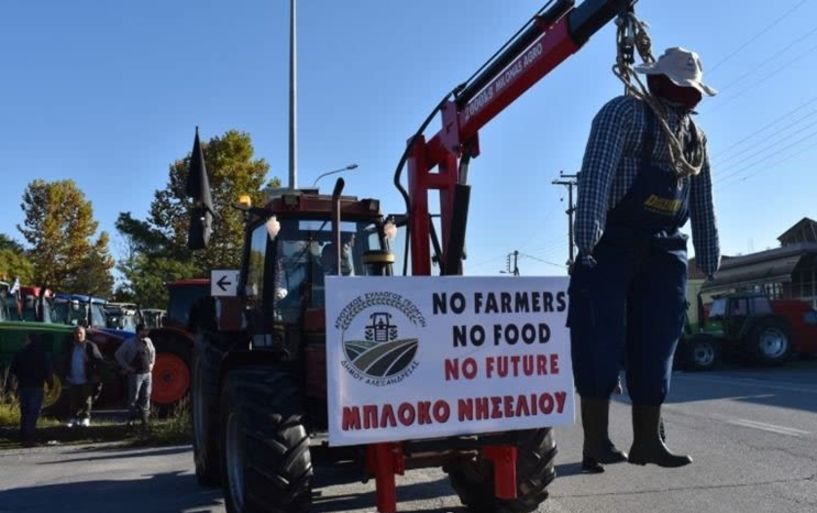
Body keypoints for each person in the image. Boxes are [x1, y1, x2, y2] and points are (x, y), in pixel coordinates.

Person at [569, 47, 720, 471]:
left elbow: (704, 199)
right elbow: (596, 173)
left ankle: (647, 441)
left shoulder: (694, 137)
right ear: (657, 80)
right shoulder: (623, 113)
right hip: (610, 243)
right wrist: (587, 237)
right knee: (599, 337)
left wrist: (709, 252)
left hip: (665, 245)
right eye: (679, 86)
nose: (685, 96)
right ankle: (596, 441)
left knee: (658, 341)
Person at [10, 333, 54, 447]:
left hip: (24, 386)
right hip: (36, 386)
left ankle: (24, 436)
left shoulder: (20, 353)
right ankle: (30, 438)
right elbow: (47, 371)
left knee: (25, 413)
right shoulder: (42, 354)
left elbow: (13, 370)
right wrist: (50, 385)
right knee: (33, 413)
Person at [62, 325, 104, 427]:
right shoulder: (70, 346)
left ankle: (85, 418)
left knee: (86, 400)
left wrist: (96, 374)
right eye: (76, 333)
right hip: (72, 377)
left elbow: (99, 361)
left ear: (84, 334)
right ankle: (73, 418)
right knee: (73, 400)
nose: (78, 335)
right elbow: (64, 360)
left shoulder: (90, 346)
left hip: (86, 377)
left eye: (80, 333)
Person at [115, 323, 156, 427]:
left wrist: (152, 364)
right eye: (145, 330)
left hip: (147, 374)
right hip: (135, 374)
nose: (147, 332)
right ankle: (131, 419)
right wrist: (127, 367)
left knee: (146, 396)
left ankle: (145, 420)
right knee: (134, 397)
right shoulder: (129, 343)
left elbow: (153, 352)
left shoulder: (149, 341)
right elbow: (118, 354)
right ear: (139, 331)